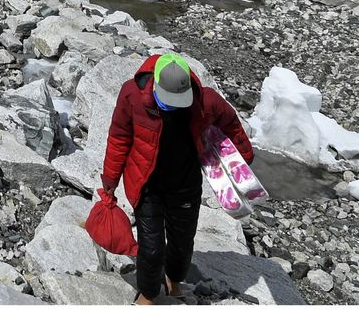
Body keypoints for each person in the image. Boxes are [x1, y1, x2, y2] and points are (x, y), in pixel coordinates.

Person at [101, 52, 253, 306]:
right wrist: (110, 180)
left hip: (185, 184)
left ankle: (174, 280)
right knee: (151, 248)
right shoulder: (132, 95)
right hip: (146, 185)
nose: (173, 106)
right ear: (156, 85)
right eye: (168, 101)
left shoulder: (206, 101)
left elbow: (231, 123)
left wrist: (244, 158)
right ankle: (148, 295)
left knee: (182, 243)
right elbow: (119, 137)